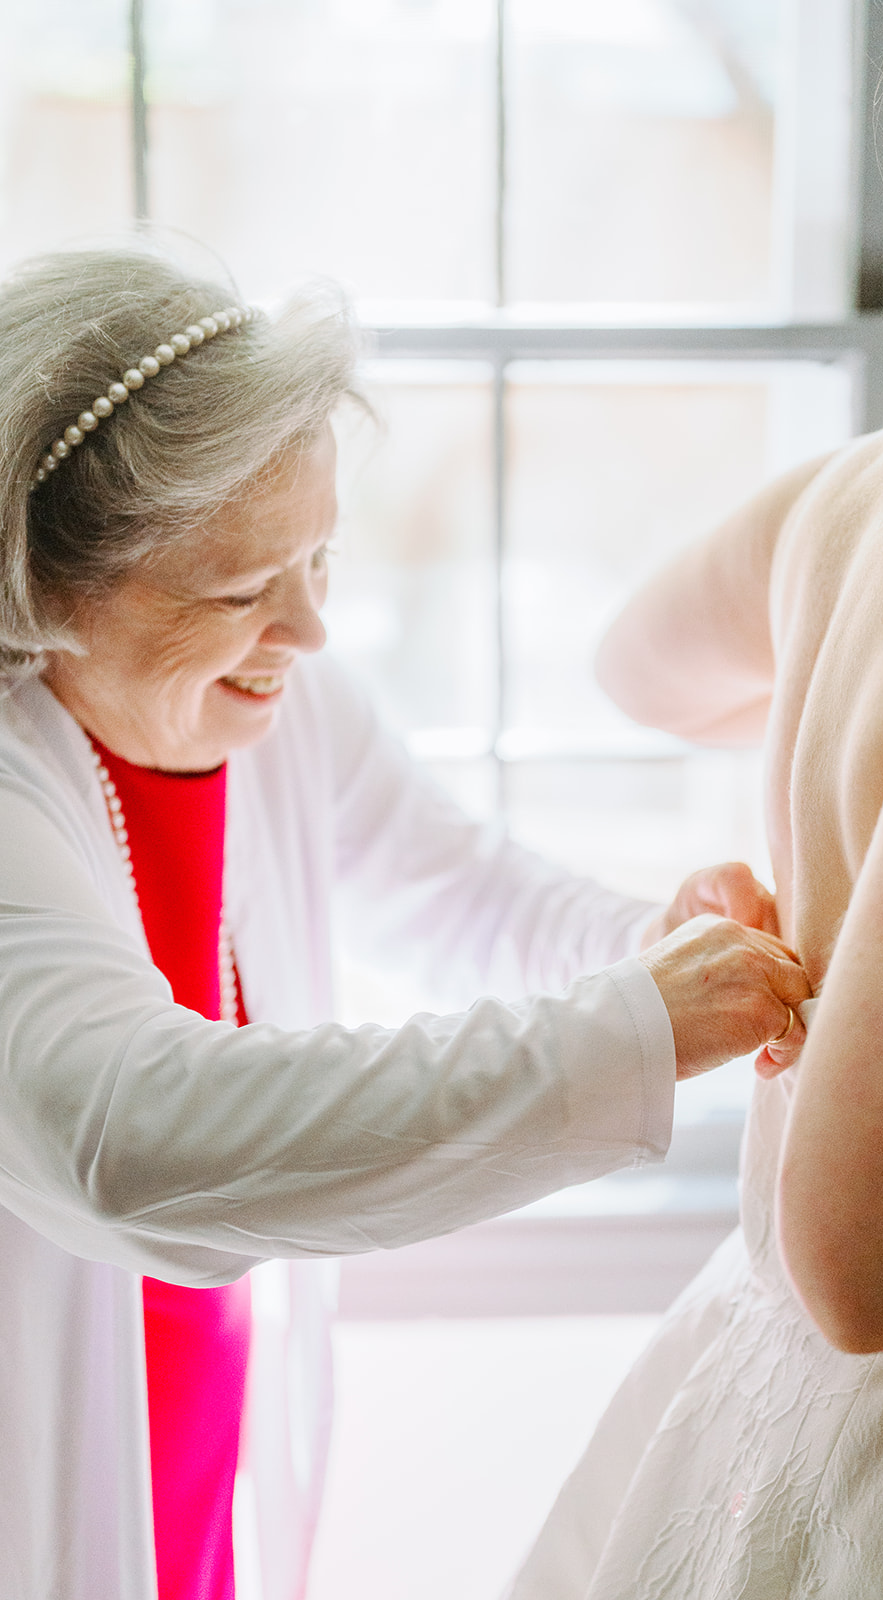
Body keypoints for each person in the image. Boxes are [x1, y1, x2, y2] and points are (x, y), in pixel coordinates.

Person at [0, 244, 811, 1600]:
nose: (311, 626)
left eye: (319, 556)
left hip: (197, 1411)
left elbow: (457, 891)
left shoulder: (279, 710)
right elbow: (130, 1136)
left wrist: (646, 941)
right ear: (46, 589)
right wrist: (634, 1027)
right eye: (242, 589)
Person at [506, 2, 883, 1596]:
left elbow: (643, 666)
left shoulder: (868, 495)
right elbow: (879, 1251)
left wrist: (872, 804)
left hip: (799, 1424)